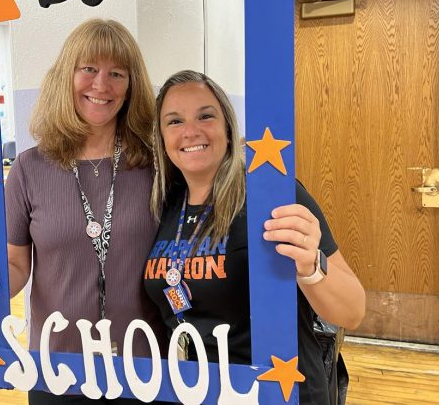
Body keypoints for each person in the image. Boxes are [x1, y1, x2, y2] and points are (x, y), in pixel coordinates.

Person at [0, 19, 164, 404]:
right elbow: (16, 267)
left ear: (131, 87)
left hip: (145, 367)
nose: (101, 85)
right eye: (89, 69)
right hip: (56, 369)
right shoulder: (30, 169)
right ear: (67, 75)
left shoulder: (155, 166)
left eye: (117, 73)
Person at [143, 70, 365, 404]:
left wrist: (310, 269)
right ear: (161, 138)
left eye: (206, 116)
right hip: (203, 391)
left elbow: (352, 311)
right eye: (174, 122)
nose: (191, 131)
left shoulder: (270, 195)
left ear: (228, 130)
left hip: (281, 391)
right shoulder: (164, 203)